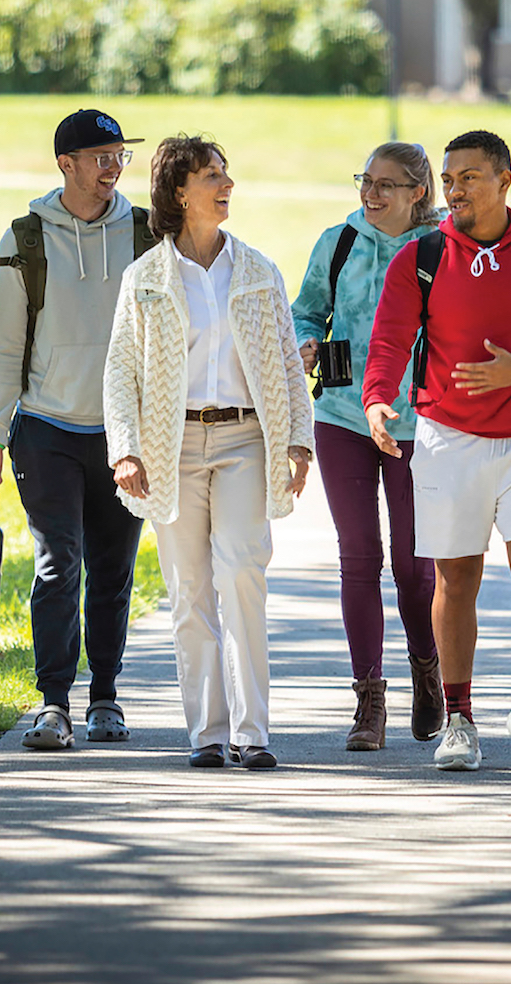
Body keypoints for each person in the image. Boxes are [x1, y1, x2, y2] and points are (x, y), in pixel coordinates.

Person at [363, 129, 511, 772]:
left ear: (504, 180)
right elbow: (387, 341)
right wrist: (378, 399)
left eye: (469, 176)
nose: (455, 188)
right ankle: (459, 720)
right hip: (449, 439)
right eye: (449, 177)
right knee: (455, 579)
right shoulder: (423, 257)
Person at [104, 134, 313, 771]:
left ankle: (253, 734)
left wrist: (298, 439)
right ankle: (207, 734)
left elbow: (283, 361)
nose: (226, 185)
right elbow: (120, 373)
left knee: (243, 572)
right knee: (190, 588)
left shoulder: (257, 271)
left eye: (227, 174)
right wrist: (126, 450)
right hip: (172, 447)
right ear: (178, 192)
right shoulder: (146, 278)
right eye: (212, 176)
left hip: (246, 438)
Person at [0, 108, 148, 751]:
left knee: (113, 566)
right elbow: (3, 342)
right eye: (100, 156)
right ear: (65, 165)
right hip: (44, 428)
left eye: (120, 154)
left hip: (126, 433)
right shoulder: (26, 237)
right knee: (56, 562)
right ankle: (53, 703)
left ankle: (105, 698)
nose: (113, 167)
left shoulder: (150, 234)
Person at [291, 142, 445, 752]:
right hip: (341, 414)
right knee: (358, 556)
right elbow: (307, 313)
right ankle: (369, 702)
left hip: (419, 422)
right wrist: (305, 342)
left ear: (418, 193)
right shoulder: (340, 242)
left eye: (386, 185)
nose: (371, 195)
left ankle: (428, 672)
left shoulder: (441, 248)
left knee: (413, 564)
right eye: (365, 181)